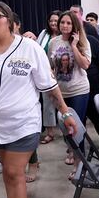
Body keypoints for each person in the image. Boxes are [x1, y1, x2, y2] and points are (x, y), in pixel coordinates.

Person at [0, 1, 77, 198]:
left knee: (14, 173)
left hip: (24, 124)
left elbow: (50, 85)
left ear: (10, 21)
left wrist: (65, 112)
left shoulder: (29, 48)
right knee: (9, 174)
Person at [48, 10, 91, 179]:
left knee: (76, 128)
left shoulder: (82, 42)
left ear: (74, 25)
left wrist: (74, 46)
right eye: (62, 23)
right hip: (61, 92)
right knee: (66, 128)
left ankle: (79, 165)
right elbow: (51, 65)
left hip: (79, 90)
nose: (65, 26)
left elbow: (85, 65)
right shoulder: (53, 42)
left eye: (68, 23)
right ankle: (74, 152)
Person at [37, 10, 62, 145]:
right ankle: (50, 132)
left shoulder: (65, 36)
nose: (53, 23)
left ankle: (67, 130)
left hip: (63, 74)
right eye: (51, 20)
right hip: (45, 74)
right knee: (47, 104)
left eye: (55, 21)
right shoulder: (44, 34)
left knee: (63, 103)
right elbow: (37, 48)